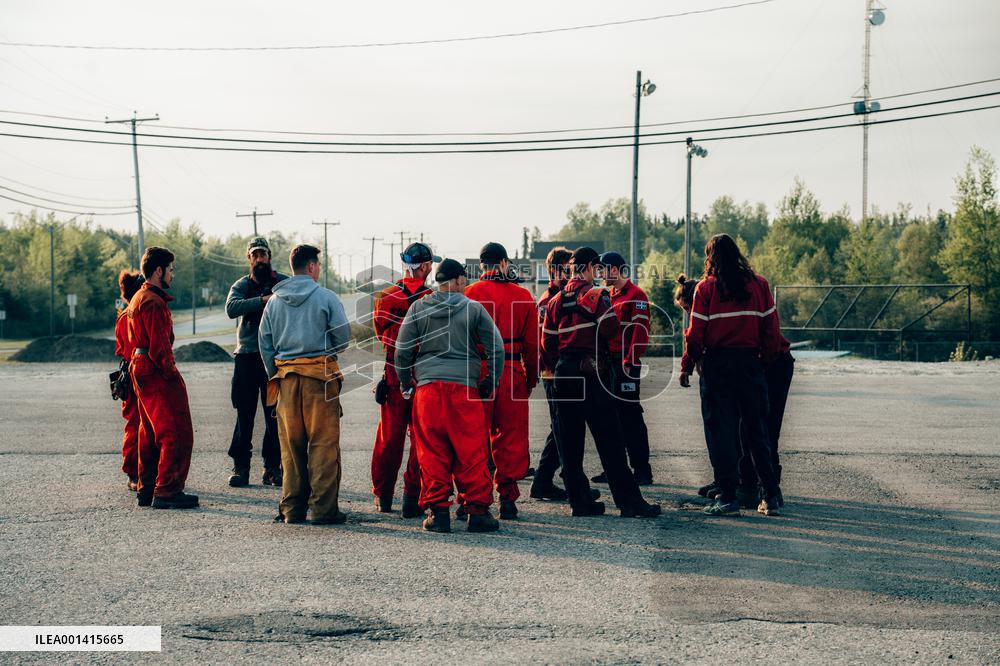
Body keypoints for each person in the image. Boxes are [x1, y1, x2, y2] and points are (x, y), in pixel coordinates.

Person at [541, 247, 661, 519]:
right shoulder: (596, 295)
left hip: (564, 374)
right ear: (591, 267)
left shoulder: (555, 301)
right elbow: (609, 329)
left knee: (569, 444)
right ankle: (630, 503)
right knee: (610, 439)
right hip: (592, 374)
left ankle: (580, 503)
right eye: (597, 268)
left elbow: (546, 344)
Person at [394, 258, 504, 534]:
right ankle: (477, 512)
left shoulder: (419, 307)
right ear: (455, 281)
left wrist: (406, 382)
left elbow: (402, 352)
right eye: (464, 281)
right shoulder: (473, 309)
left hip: (428, 392)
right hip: (464, 391)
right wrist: (491, 381)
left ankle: (438, 513)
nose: (466, 286)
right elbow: (497, 349)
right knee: (471, 452)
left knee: (431, 453)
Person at [679, 234, 783, 517]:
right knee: (756, 431)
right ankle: (770, 496)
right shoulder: (759, 285)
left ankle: (728, 497)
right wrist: (764, 360)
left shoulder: (706, 289)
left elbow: (695, 335)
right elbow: (772, 329)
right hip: (750, 363)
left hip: (718, 366)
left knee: (720, 432)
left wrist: (688, 364)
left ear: (710, 257)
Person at [259, 244, 351, 525]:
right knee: (323, 446)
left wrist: (278, 371)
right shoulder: (326, 297)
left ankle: (292, 510)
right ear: (311, 266)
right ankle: (324, 511)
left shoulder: (274, 301)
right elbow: (343, 338)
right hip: (320, 381)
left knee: (291, 448)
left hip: (286, 382)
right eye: (318, 266)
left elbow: (265, 343)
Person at [464, 242, 539, 519]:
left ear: (481, 265)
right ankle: (507, 498)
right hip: (511, 371)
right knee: (511, 436)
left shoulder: (468, 294)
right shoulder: (523, 295)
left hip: (478, 372)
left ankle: (470, 500)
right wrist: (531, 378)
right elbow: (532, 346)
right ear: (505, 263)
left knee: (473, 437)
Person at [371, 241, 438, 517]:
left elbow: (380, 335)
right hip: (425, 375)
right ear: (424, 266)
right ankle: (413, 497)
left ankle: (384, 496)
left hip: (393, 373)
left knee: (389, 439)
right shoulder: (434, 299)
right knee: (422, 439)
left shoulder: (386, 297)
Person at [127, 246, 198, 509]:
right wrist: (173, 376)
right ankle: (167, 490)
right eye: (170, 269)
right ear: (158, 271)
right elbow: (159, 346)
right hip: (154, 369)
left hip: (139, 365)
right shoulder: (154, 303)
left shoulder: (138, 298)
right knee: (175, 432)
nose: (172, 275)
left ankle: (147, 489)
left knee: (148, 432)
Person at [224, 237, 289, 487]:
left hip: (274, 357)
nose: (260, 259)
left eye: (263, 254)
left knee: (274, 414)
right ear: (249, 258)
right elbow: (231, 308)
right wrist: (262, 301)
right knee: (244, 414)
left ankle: (272, 468)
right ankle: (241, 467)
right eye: (255, 255)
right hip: (247, 356)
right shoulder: (241, 285)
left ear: (269, 256)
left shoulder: (283, 282)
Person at [593, 251, 653, 486]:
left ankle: (642, 470)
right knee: (610, 418)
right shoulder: (606, 295)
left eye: (603, 270)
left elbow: (640, 331)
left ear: (615, 270)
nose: (600, 274)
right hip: (608, 365)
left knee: (630, 417)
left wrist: (630, 361)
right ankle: (616, 469)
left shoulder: (636, 295)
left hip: (625, 364)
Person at [528, 246, 573, 502]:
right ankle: (548, 481)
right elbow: (545, 343)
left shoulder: (564, 296)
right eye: (568, 267)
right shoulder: (548, 300)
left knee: (561, 428)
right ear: (557, 270)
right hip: (553, 372)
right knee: (561, 427)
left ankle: (545, 481)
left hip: (559, 371)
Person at [114, 270, 144, 492]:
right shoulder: (128, 316)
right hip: (133, 373)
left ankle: (144, 470)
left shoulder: (131, 313)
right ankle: (133, 473)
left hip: (137, 371)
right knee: (135, 424)